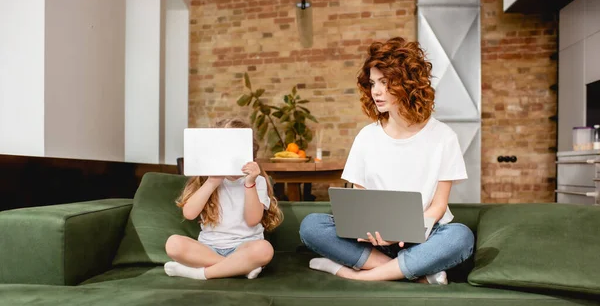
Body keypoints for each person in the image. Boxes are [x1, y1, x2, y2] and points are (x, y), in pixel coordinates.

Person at [299, 37, 474, 284]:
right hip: (374, 242)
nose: (376, 91)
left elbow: (439, 206)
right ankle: (413, 273)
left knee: (460, 237)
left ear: (407, 84)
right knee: (311, 226)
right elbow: (359, 202)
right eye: (372, 83)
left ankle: (356, 274)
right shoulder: (366, 137)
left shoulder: (443, 137)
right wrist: (369, 230)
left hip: (424, 236)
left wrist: (403, 231)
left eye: (385, 82)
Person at [164, 118, 283, 280]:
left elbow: (253, 220)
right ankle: (237, 267)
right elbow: (189, 213)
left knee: (264, 250)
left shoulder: (258, 181)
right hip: (209, 248)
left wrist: (250, 184)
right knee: (173, 244)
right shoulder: (206, 179)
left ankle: (201, 273)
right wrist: (212, 182)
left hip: (245, 247)